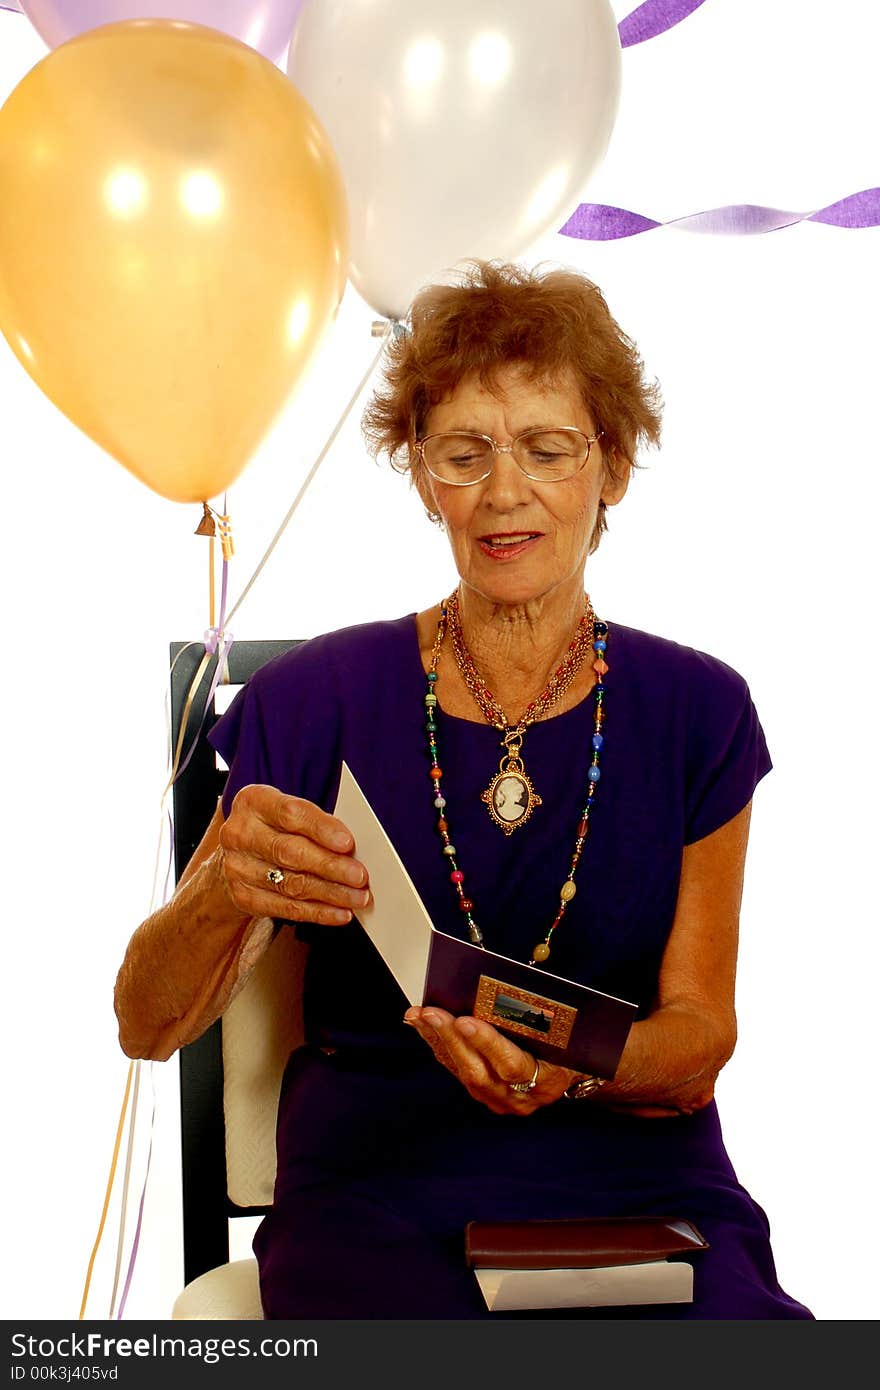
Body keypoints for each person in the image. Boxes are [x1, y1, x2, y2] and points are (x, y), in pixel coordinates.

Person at [114, 261, 814, 1320]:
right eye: (463, 453)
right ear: (422, 475)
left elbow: (698, 1036)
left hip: (634, 1176)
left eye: (547, 449)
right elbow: (145, 1025)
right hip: (375, 1178)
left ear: (612, 467)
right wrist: (222, 890)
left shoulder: (697, 709)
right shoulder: (312, 701)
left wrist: (570, 1075)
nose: (502, 493)